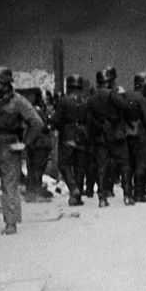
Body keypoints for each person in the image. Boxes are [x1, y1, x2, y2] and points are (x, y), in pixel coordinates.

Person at [0, 66, 44, 234]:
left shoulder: (18, 101)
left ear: (5, 83)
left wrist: (25, 143)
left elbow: (37, 123)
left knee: (9, 186)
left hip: (9, 145)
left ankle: (11, 222)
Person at [87, 66, 132, 207]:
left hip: (101, 136)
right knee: (125, 165)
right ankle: (127, 196)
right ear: (109, 81)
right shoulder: (113, 95)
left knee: (102, 167)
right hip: (116, 135)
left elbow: (89, 119)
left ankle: (102, 197)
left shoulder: (92, 98)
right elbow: (126, 107)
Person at [52, 74, 89, 206]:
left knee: (64, 164)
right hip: (83, 135)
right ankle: (76, 198)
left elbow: (57, 119)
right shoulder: (86, 100)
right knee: (80, 166)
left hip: (68, 135)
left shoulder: (64, 100)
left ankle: (73, 189)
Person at [123, 73, 146, 202]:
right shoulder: (143, 99)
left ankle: (129, 192)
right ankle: (139, 193)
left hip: (128, 133)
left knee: (130, 164)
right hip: (142, 135)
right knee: (141, 164)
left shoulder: (126, 96)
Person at [24, 89, 54, 202]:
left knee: (32, 167)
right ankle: (36, 191)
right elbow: (42, 126)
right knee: (38, 168)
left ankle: (32, 191)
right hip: (40, 143)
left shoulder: (30, 110)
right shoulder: (38, 111)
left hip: (34, 143)